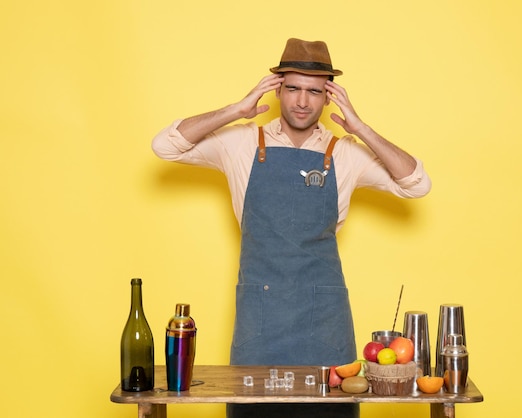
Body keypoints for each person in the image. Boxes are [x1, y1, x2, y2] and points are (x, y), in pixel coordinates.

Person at [152, 38, 431, 417]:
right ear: (278, 89)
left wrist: (361, 128)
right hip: (261, 319)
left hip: (325, 320)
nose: (302, 101)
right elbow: (166, 146)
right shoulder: (243, 143)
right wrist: (237, 109)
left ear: (329, 96)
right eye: (294, 88)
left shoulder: (345, 152)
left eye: (315, 91)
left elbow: (416, 183)